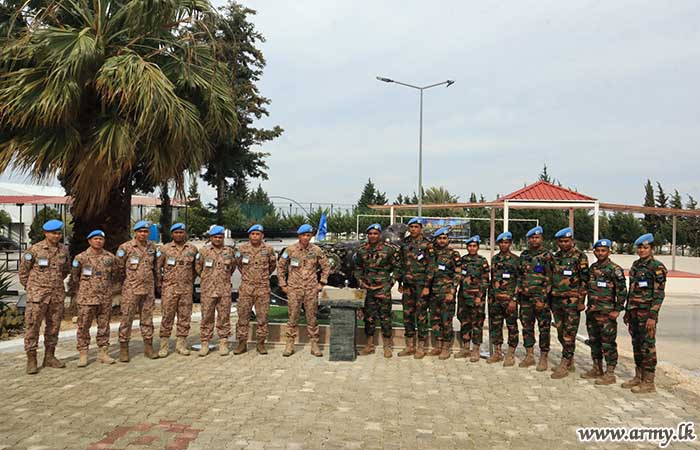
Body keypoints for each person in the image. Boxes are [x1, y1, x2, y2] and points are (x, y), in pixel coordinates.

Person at [19, 219, 71, 374]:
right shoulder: (34, 250)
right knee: (33, 326)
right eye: (53, 233)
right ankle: (31, 358)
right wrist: (33, 288)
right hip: (38, 296)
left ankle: (49, 356)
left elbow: (66, 270)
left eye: (58, 233)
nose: (56, 236)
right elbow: (23, 273)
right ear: (45, 233)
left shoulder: (63, 250)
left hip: (56, 295)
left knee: (54, 326)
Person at [622, 233, 667, 394]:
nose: (642, 250)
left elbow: (659, 294)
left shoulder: (657, 267)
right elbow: (632, 290)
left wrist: (652, 317)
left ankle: (649, 381)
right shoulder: (635, 266)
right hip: (634, 312)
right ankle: (638, 376)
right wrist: (627, 310)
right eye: (640, 247)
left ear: (652, 248)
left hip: (647, 314)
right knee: (636, 344)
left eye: (645, 247)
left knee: (647, 347)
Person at [276, 224, 330, 357]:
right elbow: (281, 267)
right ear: (299, 236)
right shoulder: (290, 250)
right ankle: (290, 343)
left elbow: (326, 267)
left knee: (312, 317)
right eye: (304, 235)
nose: (306, 237)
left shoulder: (316, 250)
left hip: (311, 289)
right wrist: (283, 285)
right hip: (294, 289)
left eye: (308, 235)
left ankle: (314, 343)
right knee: (293, 316)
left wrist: (321, 283)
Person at [68, 230, 118, 367]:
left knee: (104, 326)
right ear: (89, 241)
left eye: (101, 239)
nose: (98, 241)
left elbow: (115, 274)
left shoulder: (110, 258)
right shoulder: (81, 258)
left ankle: (103, 352)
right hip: (87, 298)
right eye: (95, 239)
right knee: (83, 326)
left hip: (105, 298)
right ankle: (83, 353)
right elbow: (75, 276)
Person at [583, 238, 626, 385]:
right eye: (598, 250)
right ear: (594, 251)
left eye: (603, 250)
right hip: (593, 312)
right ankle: (597, 368)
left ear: (609, 251)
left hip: (607, 314)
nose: (600, 253)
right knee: (594, 342)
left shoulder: (615, 269)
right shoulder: (593, 268)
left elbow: (622, 291)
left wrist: (617, 310)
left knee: (608, 343)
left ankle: (610, 373)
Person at [354, 224, 400, 358]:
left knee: (385, 318)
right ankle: (369, 345)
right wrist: (360, 282)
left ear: (380, 235)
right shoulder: (362, 250)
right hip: (368, 289)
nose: (373, 236)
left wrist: (390, 283)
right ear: (367, 235)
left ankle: (387, 346)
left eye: (375, 233)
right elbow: (357, 268)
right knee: (369, 318)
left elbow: (397, 268)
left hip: (383, 288)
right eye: (370, 233)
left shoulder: (389, 250)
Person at [550, 227, 590, 379]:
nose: (563, 244)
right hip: (557, 301)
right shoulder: (556, 257)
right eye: (561, 241)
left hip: (572, 302)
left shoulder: (580, 257)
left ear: (572, 241)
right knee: (560, 332)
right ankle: (570, 360)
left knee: (569, 333)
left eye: (566, 241)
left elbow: (585, 281)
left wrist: (581, 301)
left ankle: (565, 362)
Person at [116, 220, 158, 362]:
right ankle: (124, 348)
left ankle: (148, 347)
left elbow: (155, 267)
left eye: (146, 231)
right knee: (126, 319)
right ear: (135, 232)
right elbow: (119, 269)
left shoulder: (153, 247)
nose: (143, 234)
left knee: (147, 319)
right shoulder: (125, 247)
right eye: (140, 231)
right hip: (131, 289)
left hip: (148, 289)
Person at [156, 223, 198, 357]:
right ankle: (164, 346)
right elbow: (157, 268)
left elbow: (196, 269)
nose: (179, 235)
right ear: (172, 234)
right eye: (176, 232)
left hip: (186, 289)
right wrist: (160, 284)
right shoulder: (165, 249)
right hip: (169, 288)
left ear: (185, 233)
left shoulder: (192, 249)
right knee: (167, 316)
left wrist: (189, 280)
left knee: (185, 317)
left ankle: (181, 345)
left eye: (181, 232)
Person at [234, 224, 276, 355]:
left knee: (262, 317)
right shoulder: (241, 249)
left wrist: (262, 277)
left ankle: (261, 343)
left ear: (262, 235)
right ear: (249, 235)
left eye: (258, 234)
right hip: (246, 287)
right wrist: (248, 276)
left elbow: (272, 266)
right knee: (243, 317)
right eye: (253, 234)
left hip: (262, 288)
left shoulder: (268, 249)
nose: (255, 236)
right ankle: (242, 343)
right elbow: (239, 265)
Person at [195, 225, 236, 356]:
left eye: (220, 237)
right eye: (215, 237)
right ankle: (205, 343)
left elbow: (233, 267)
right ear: (211, 238)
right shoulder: (203, 252)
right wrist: (206, 278)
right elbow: (198, 267)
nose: (218, 239)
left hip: (224, 290)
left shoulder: (229, 251)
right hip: (208, 290)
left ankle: (223, 342)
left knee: (224, 316)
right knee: (207, 316)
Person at [517, 225, 554, 371]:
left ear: (541, 238)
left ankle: (544, 357)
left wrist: (542, 299)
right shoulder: (524, 255)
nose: (534, 240)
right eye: (532, 238)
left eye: (537, 237)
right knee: (527, 328)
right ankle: (529, 355)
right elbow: (520, 275)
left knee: (544, 329)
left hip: (541, 300)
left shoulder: (547, 256)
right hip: (525, 299)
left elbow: (551, 279)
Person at [397, 217, 433, 358]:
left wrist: (427, 286)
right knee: (407, 315)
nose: (413, 229)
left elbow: (431, 267)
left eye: (416, 227)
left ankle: (421, 347)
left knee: (421, 315)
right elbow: (400, 264)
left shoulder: (427, 244)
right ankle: (409, 346)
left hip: (421, 286)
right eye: (411, 227)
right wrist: (400, 282)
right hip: (408, 286)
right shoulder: (404, 244)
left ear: (420, 228)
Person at [428, 227, 462, 359]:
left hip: (447, 293)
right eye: (439, 238)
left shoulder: (454, 254)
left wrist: (452, 291)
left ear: (448, 239)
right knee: (435, 320)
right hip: (433, 293)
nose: (442, 241)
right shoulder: (432, 253)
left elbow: (457, 274)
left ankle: (446, 348)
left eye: (444, 238)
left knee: (446, 321)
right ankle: (438, 345)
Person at [488, 231, 520, 366]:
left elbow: (519, 280)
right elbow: (493, 279)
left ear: (510, 244)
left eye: (506, 242)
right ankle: (497, 352)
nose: (503, 245)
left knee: (512, 326)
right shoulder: (495, 259)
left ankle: (511, 353)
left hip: (509, 300)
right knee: (496, 326)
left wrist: (514, 299)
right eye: (501, 242)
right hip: (495, 299)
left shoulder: (516, 260)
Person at [456, 235, 489, 362]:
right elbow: (458, 276)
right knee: (464, 322)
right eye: (470, 246)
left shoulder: (482, 261)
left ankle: (475, 349)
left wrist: (479, 297)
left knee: (477, 324)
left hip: (477, 298)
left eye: (474, 246)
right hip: (463, 297)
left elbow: (486, 280)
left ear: (478, 247)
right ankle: (465, 348)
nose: (472, 248)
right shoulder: (462, 260)